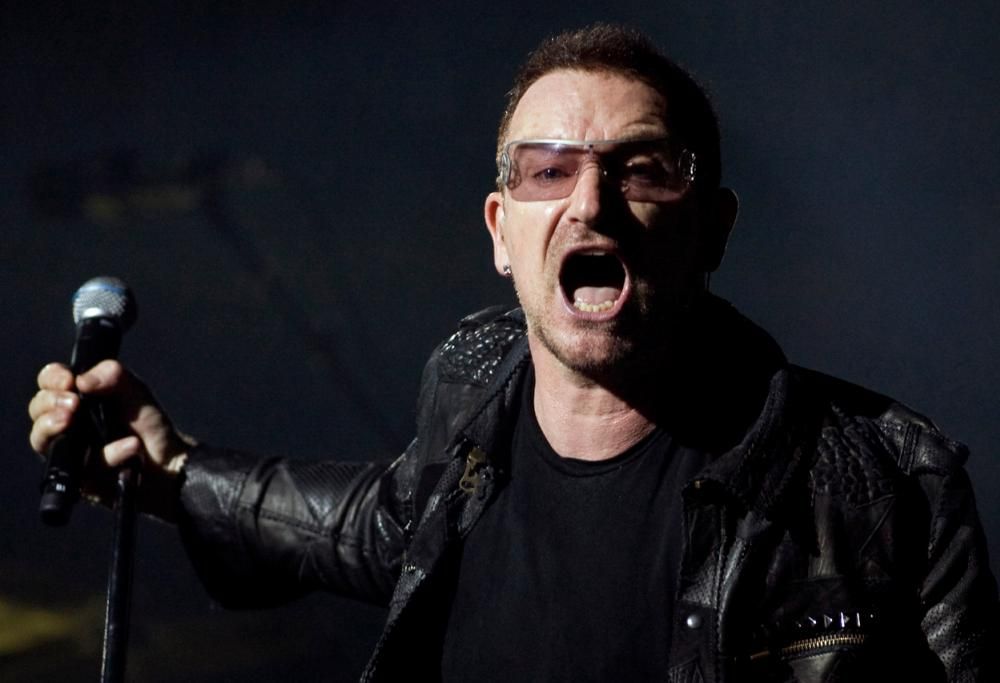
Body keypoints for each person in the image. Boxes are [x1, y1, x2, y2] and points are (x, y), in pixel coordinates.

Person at [28, 24, 998, 682]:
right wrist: (172, 470)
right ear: (500, 230)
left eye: (642, 170)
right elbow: (377, 524)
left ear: (712, 227)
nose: (590, 203)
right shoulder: (468, 397)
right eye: (548, 170)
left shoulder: (884, 481)